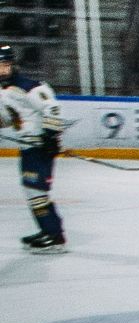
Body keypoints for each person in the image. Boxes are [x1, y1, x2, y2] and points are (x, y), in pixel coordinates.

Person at [0, 43, 68, 253]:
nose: (2, 69)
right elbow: (8, 118)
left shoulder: (28, 86)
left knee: (36, 190)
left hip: (39, 147)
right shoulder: (4, 91)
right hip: (27, 146)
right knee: (33, 191)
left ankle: (54, 236)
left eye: (5, 64)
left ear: (12, 65)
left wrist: (50, 135)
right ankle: (48, 231)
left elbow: (52, 107)